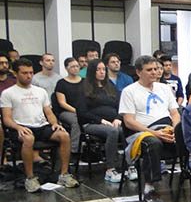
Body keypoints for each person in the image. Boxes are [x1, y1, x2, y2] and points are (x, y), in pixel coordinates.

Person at [1, 58, 78, 192]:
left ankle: (64, 175)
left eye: (31, 72)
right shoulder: (8, 93)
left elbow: (49, 112)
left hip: (41, 126)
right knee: (28, 138)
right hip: (20, 127)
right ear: (16, 74)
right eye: (25, 73)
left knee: (64, 135)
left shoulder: (40, 91)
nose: (29, 76)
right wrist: (18, 127)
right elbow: (6, 119)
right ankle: (30, 178)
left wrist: (55, 123)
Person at [119, 55, 181, 202]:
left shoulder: (165, 88)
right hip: (142, 132)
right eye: (149, 70)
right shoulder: (129, 91)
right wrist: (154, 133)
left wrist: (175, 129)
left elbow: (175, 113)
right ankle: (150, 188)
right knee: (152, 143)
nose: (154, 72)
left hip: (166, 128)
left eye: (155, 69)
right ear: (139, 72)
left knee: (190, 137)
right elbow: (129, 121)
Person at [77, 59, 125, 182]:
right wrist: (101, 121)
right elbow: (82, 113)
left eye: (103, 69)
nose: (102, 72)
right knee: (113, 132)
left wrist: (118, 118)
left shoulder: (110, 86)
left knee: (128, 128)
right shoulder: (84, 88)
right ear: (92, 71)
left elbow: (121, 105)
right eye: (98, 69)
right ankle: (110, 169)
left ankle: (129, 166)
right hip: (91, 123)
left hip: (113, 122)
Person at [53, 57, 83, 154]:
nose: (75, 68)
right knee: (76, 121)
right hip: (66, 112)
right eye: (72, 66)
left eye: (77, 66)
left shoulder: (85, 81)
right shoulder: (61, 83)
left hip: (83, 110)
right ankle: (74, 150)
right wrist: (77, 111)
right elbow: (62, 103)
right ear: (66, 68)